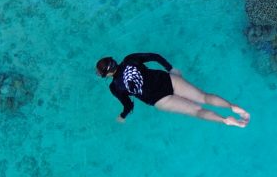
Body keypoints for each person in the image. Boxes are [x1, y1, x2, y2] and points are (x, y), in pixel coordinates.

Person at [96, 53, 251, 128]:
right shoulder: (130, 59)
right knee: (204, 97)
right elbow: (154, 56)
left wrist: (122, 116)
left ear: (106, 75)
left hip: (159, 99)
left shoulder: (115, 87)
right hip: (167, 80)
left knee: (197, 111)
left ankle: (225, 120)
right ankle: (232, 106)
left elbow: (129, 106)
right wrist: (171, 68)